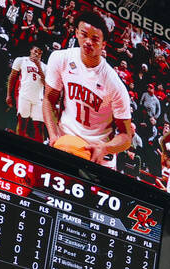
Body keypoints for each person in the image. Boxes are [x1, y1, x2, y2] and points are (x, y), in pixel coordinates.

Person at [42, 11, 134, 166]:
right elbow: (48, 100)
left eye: (95, 39)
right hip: (65, 139)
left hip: (98, 152)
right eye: (84, 34)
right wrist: (53, 136)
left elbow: (126, 136)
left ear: (103, 44)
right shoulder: (60, 59)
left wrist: (104, 148)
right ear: (76, 33)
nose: (88, 42)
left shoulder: (114, 84)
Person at [7, 45, 46, 141]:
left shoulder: (45, 66)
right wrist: (8, 95)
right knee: (22, 123)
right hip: (24, 95)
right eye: (35, 51)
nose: (37, 54)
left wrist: (38, 67)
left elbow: (46, 83)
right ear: (31, 50)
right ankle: (18, 144)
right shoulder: (21, 60)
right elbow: (12, 77)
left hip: (38, 99)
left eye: (39, 53)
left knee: (39, 127)